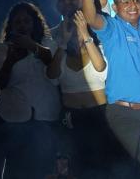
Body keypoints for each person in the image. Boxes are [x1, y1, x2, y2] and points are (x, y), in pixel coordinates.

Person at [68, 0, 140, 176]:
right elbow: (92, 17)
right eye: (125, 2)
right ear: (115, 7)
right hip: (122, 114)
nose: (132, 5)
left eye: (136, 0)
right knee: (125, 171)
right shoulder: (113, 28)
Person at [0, 2, 60, 178]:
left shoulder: (48, 44)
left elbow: (52, 64)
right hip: (15, 120)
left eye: (27, 21)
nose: (22, 25)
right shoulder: (2, 50)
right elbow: (0, 83)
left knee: (45, 170)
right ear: (11, 26)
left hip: (45, 118)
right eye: (18, 22)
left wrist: (32, 46)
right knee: (18, 171)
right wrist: (10, 60)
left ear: (35, 23)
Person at [47, 9, 108, 178]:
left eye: (79, 27)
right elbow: (52, 76)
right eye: (72, 29)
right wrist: (63, 43)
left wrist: (84, 33)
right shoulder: (60, 54)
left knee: (101, 163)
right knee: (74, 167)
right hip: (71, 117)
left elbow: (101, 68)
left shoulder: (99, 49)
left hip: (98, 114)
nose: (76, 33)